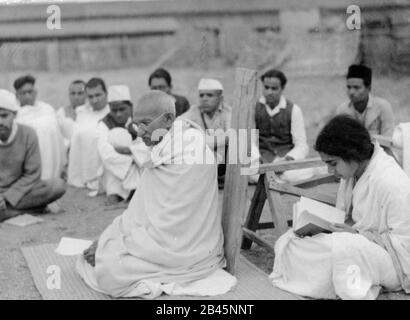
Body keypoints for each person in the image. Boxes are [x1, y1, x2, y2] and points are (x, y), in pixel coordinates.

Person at [76, 91, 236, 298]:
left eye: (145, 123)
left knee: (109, 267)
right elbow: (142, 210)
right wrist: (109, 238)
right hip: (165, 241)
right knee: (102, 253)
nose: (140, 132)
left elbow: (172, 224)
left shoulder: (190, 151)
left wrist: (116, 244)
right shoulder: (167, 145)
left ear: (169, 119)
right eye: (136, 125)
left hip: (188, 250)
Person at [270, 115, 410, 300]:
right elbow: (347, 218)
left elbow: (405, 246)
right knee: (289, 240)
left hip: (394, 263)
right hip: (356, 244)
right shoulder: (355, 171)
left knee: (342, 248)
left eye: (333, 163)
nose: (330, 171)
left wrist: (358, 235)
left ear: (352, 154)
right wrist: (324, 227)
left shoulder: (391, 181)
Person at [0, 89, 66, 222]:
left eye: (4, 116)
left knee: (57, 185)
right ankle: (30, 209)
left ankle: (8, 212)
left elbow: (32, 174)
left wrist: (7, 197)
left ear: (14, 115)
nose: (0, 122)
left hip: (21, 192)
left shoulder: (28, 134)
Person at [253, 69, 309, 183]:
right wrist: (258, 158)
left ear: (282, 89)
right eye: (266, 87)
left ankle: (271, 180)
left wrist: (287, 160)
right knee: (248, 172)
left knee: (293, 176)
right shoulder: (254, 108)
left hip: (284, 158)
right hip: (262, 158)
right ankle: (273, 180)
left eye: (274, 88)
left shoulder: (294, 110)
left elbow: (301, 144)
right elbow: (250, 141)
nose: (269, 92)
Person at [96, 85, 147, 205]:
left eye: (122, 109)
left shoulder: (140, 120)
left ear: (130, 107)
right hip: (117, 168)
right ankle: (119, 193)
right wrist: (134, 156)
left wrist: (130, 151)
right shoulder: (103, 125)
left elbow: (148, 146)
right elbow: (106, 154)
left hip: (140, 164)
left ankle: (136, 190)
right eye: (114, 110)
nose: (118, 114)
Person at [14, 75, 66, 180]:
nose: (28, 96)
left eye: (30, 92)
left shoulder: (47, 109)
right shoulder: (15, 115)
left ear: (35, 92)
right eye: (23, 93)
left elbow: (59, 134)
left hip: (51, 155)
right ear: (17, 95)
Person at [67, 78, 110, 193]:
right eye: (90, 97)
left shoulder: (112, 111)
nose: (94, 100)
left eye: (98, 95)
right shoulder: (82, 112)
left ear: (106, 93)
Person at [337, 64, 395, 138]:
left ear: (368, 88)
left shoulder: (383, 107)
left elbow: (388, 139)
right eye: (349, 87)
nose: (351, 92)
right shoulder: (342, 110)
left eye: (356, 87)